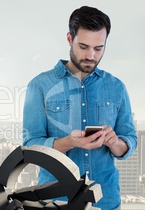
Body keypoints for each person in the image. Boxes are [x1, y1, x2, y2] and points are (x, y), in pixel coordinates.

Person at [22, 6, 137, 209]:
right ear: (69, 38)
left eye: (98, 48)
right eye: (83, 46)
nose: (91, 55)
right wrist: (69, 142)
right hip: (55, 201)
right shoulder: (40, 86)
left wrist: (114, 142)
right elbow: (31, 145)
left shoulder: (117, 87)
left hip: (106, 201)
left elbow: (129, 141)